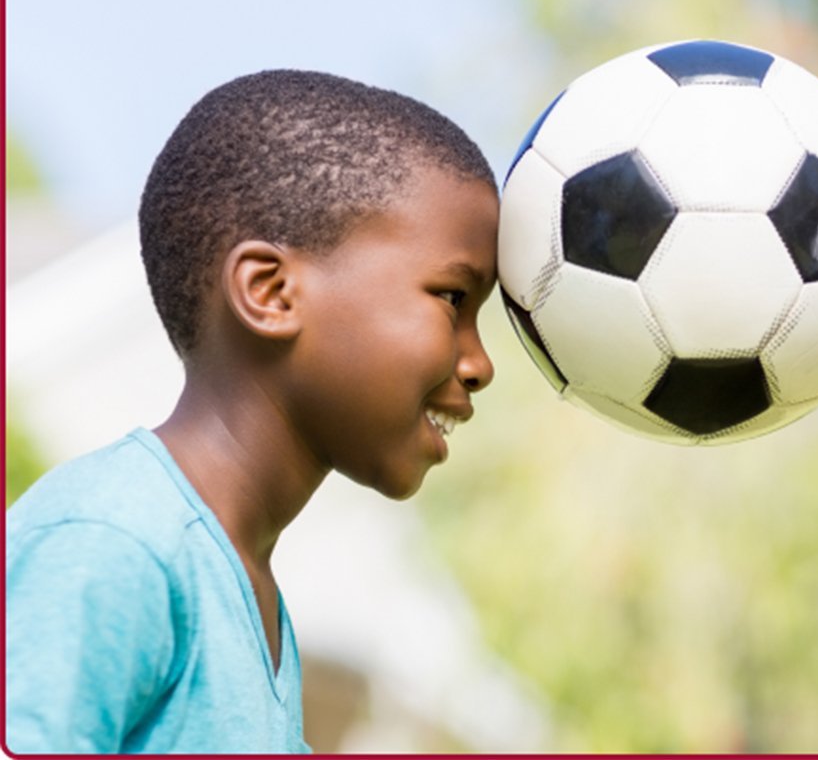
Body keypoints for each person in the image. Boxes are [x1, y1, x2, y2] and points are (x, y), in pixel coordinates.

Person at [6, 70, 500, 753]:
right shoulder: (114, 540)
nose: (480, 364)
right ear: (270, 292)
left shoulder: (249, 593)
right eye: (452, 299)